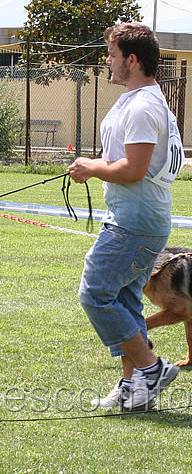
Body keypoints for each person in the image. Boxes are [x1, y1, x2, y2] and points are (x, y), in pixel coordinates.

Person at [68, 22, 183, 410]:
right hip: (134, 215)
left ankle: (151, 368)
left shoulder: (143, 106)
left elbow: (134, 169)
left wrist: (92, 168)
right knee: (125, 299)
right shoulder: (137, 99)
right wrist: (95, 166)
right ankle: (134, 389)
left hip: (136, 219)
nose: (108, 60)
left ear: (132, 59)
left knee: (96, 293)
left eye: (113, 54)